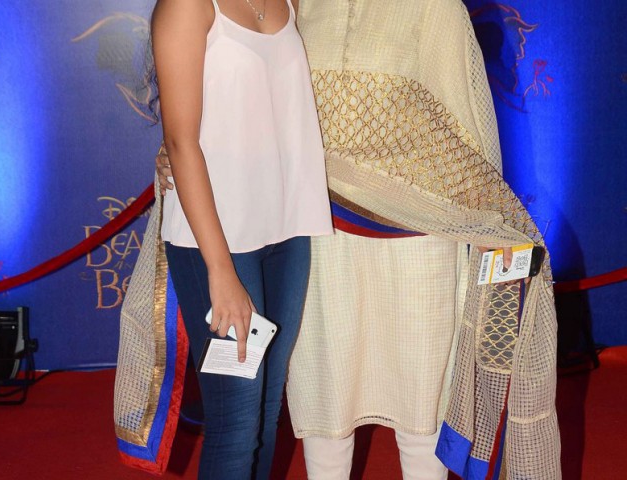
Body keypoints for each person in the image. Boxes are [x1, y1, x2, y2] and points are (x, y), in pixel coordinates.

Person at [155, 0, 561, 479]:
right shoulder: (300, 3)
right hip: (317, 237)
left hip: (405, 241)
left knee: (416, 403)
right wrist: (176, 150)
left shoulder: (426, 8)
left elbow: (467, 118)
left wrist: (486, 219)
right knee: (308, 409)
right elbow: (208, 111)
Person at [114, 0, 332, 479]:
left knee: (267, 407)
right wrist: (220, 270)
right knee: (235, 418)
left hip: (287, 228)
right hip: (216, 239)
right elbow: (181, 142)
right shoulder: (186, 6)